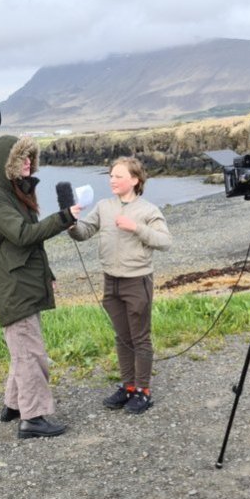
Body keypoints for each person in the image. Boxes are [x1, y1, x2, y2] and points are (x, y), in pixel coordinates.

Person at [0, 135, 80, 439]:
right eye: (21, 158)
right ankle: (33, 418)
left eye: (30, 157)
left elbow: (32, 244)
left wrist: (47, 273)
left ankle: (14, 406)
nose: (28, 162)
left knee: (22, 350)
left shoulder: (16, 193)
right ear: (7, 163)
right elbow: (23, 235)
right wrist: (64, 218)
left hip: (24, 280)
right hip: (14, 285)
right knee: (30, 354)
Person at [69, 156, 172, 413]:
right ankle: (128, 387)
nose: (112, 180)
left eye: (118, 176)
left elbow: (165, 241)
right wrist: (70, 222)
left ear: (135, 180)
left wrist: (136, 227)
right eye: (111, 176)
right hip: (110, 281)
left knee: (140, 338)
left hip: (137, 281)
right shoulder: (104, 206)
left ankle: (143, 391)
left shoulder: (148, 210)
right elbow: (83, 233)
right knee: (122, 337)